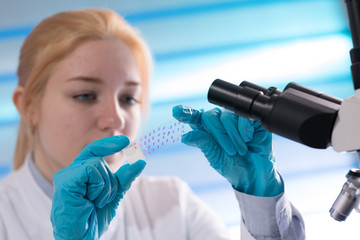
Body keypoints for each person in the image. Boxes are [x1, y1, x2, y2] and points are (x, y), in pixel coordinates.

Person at [0, 9, 305, 240]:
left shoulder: (173, 204)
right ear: (28, 106)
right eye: (85, 95)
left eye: (129, 98)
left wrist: (262, 201)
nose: (117, 118)